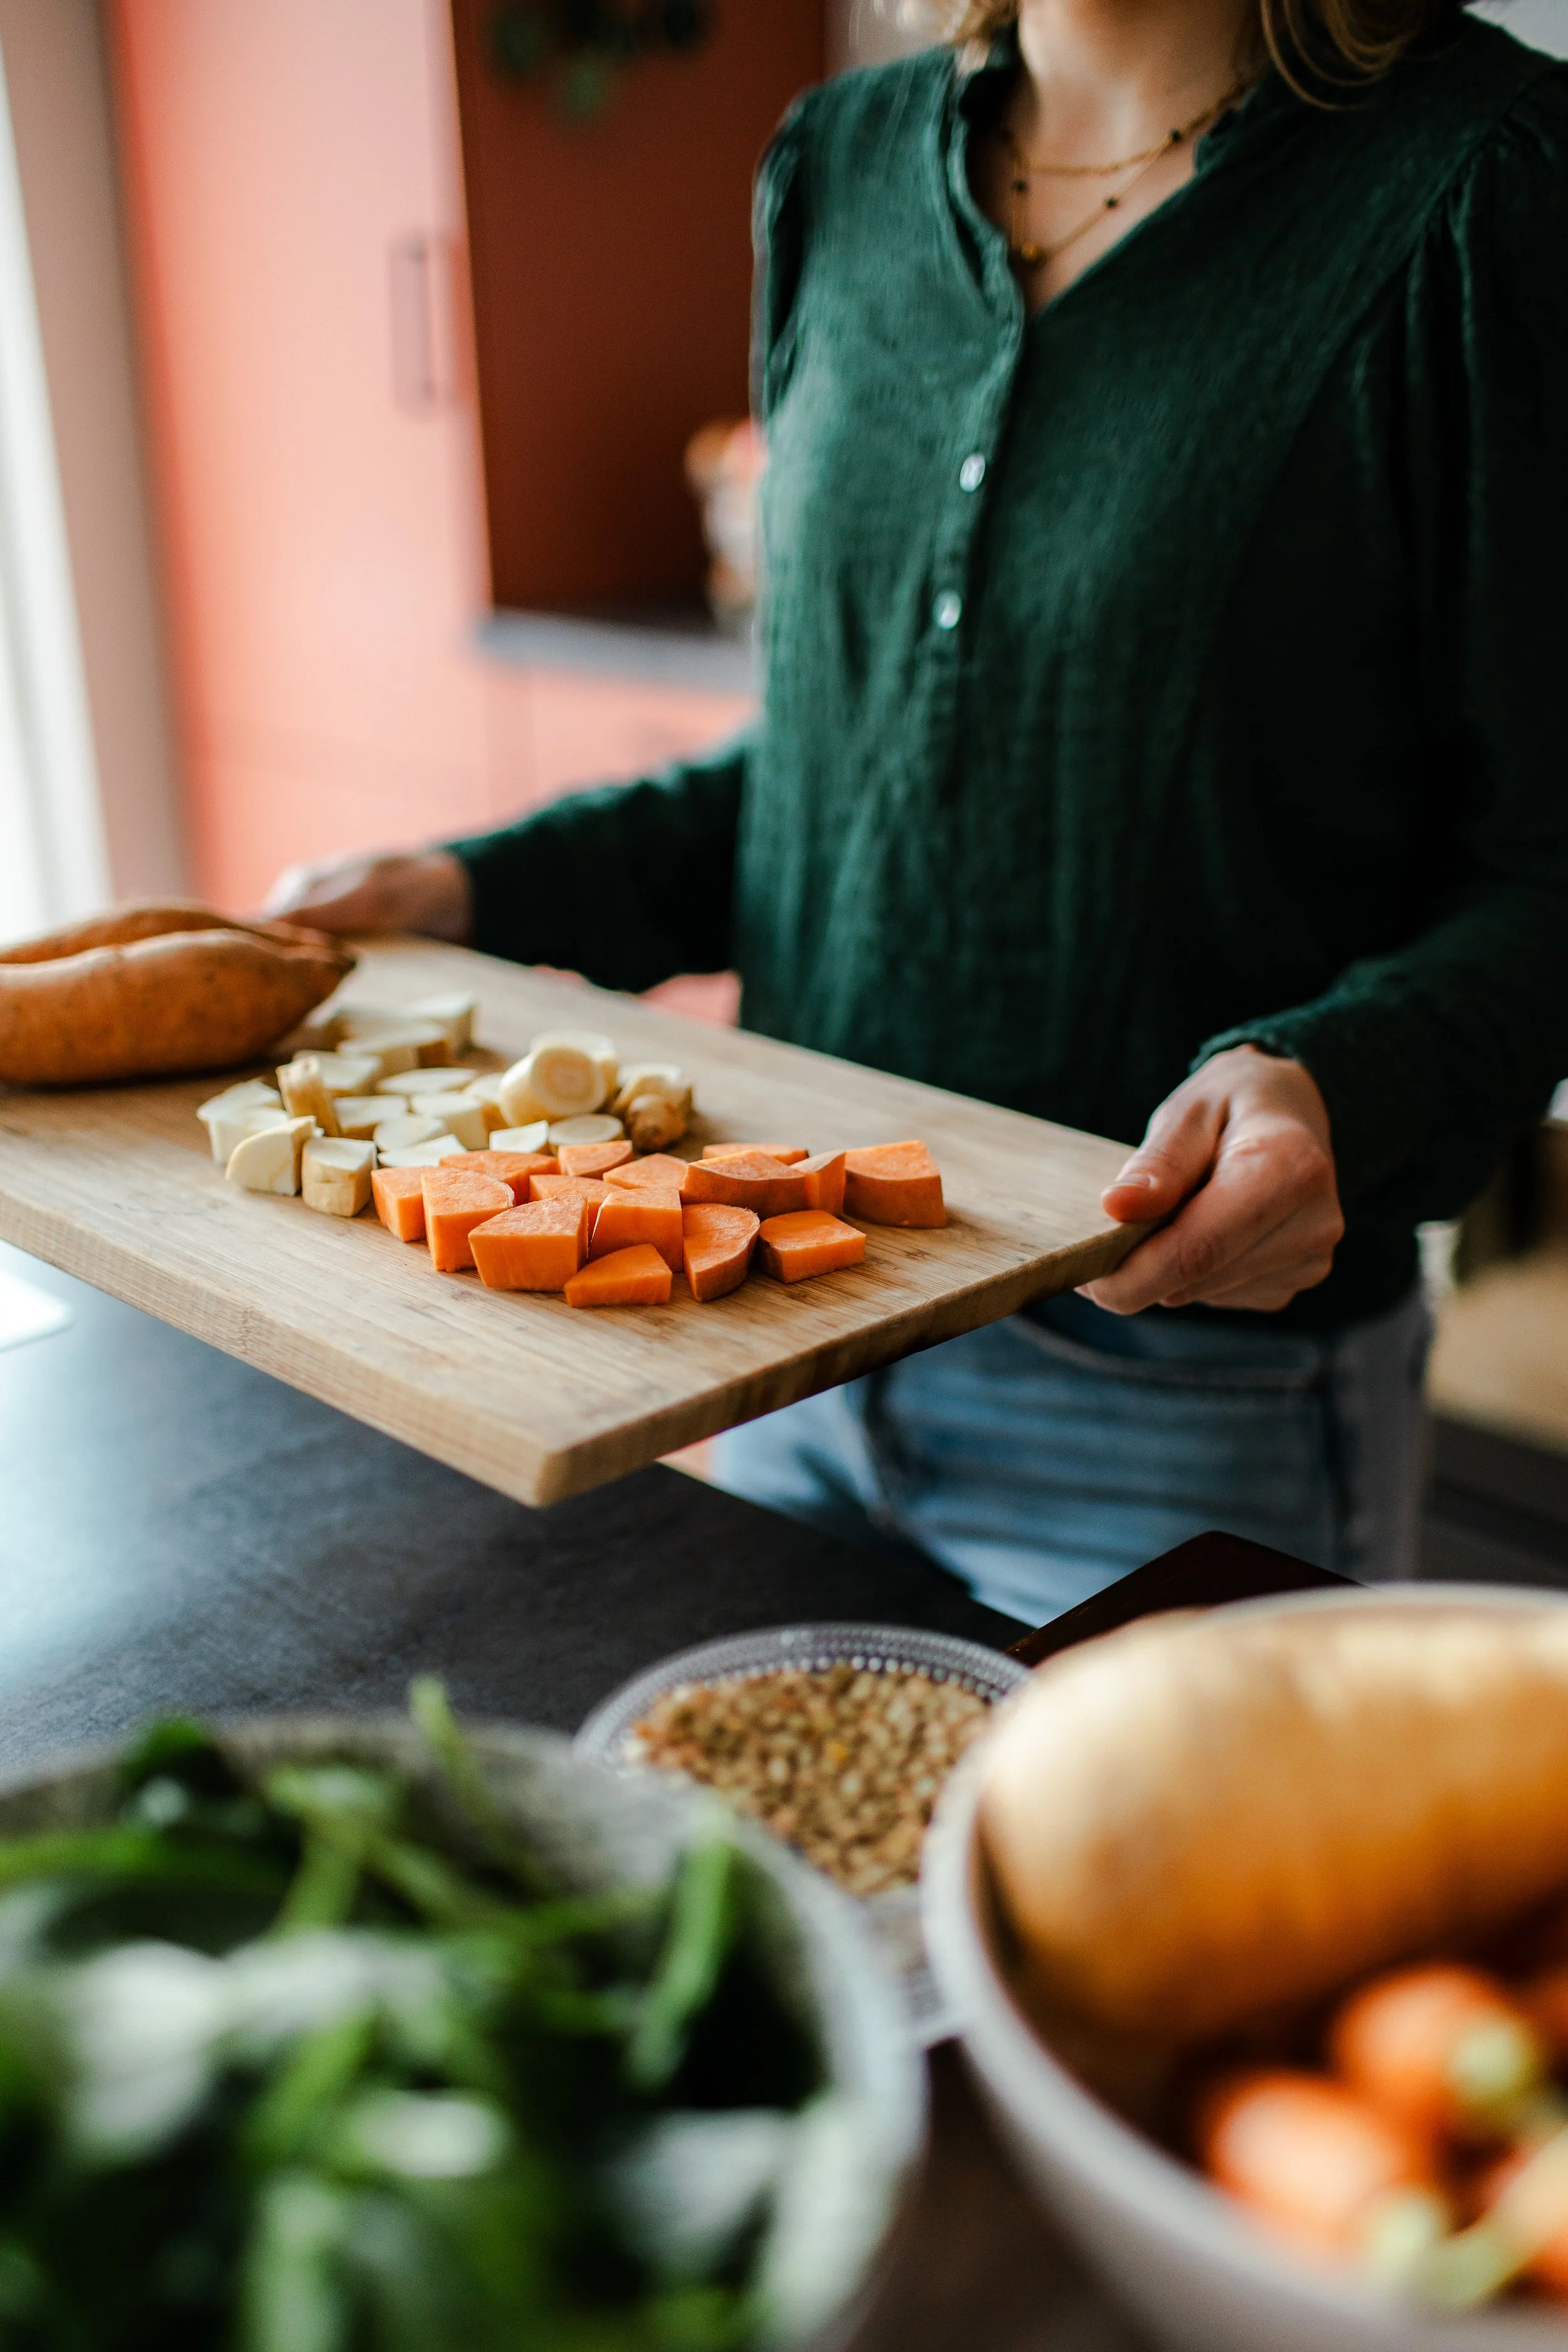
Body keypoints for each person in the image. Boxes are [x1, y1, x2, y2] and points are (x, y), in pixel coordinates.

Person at [267, 0, 1568, 1624]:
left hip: (1171, 1399)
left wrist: (1335, 1082)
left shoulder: (1493, 180)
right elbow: (847, 766)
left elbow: (1548, 866)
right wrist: (470, 884)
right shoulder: (839, 162)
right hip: (768, 1319)